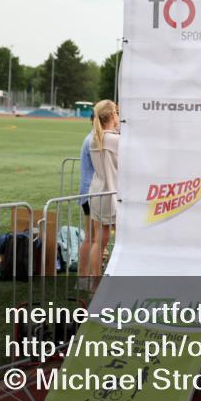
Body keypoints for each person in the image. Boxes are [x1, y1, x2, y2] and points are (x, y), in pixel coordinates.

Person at [84, 100, 118, 282]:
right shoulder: (113, 139)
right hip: (111, 193)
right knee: (120, 240)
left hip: (97, 191)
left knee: (99, 241)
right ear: (111, 116)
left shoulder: (94, 137)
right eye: (117, 113)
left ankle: (94, 284)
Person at [75, 113, 95, 283]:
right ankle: (84, 278)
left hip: (89, 191)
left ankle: (85, 277)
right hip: (92, 192)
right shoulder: (93, 139)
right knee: (92, 237)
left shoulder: (92, 137)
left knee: (93, 237)